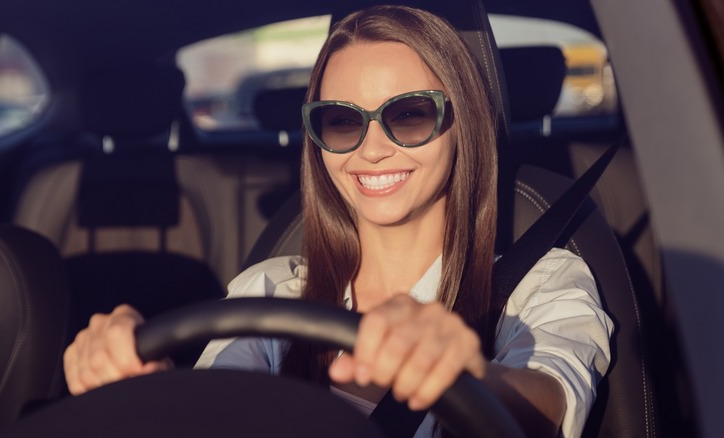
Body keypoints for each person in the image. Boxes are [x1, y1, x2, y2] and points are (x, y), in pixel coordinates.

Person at [63, 5, 613, 437]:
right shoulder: (272, 292)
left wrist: (473, 382)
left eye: (409, 114)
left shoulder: (542, 284)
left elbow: (552, 400)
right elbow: (215, 409)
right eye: (342, 122)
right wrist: (146, 389)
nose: (372, 149)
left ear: (462, 122)